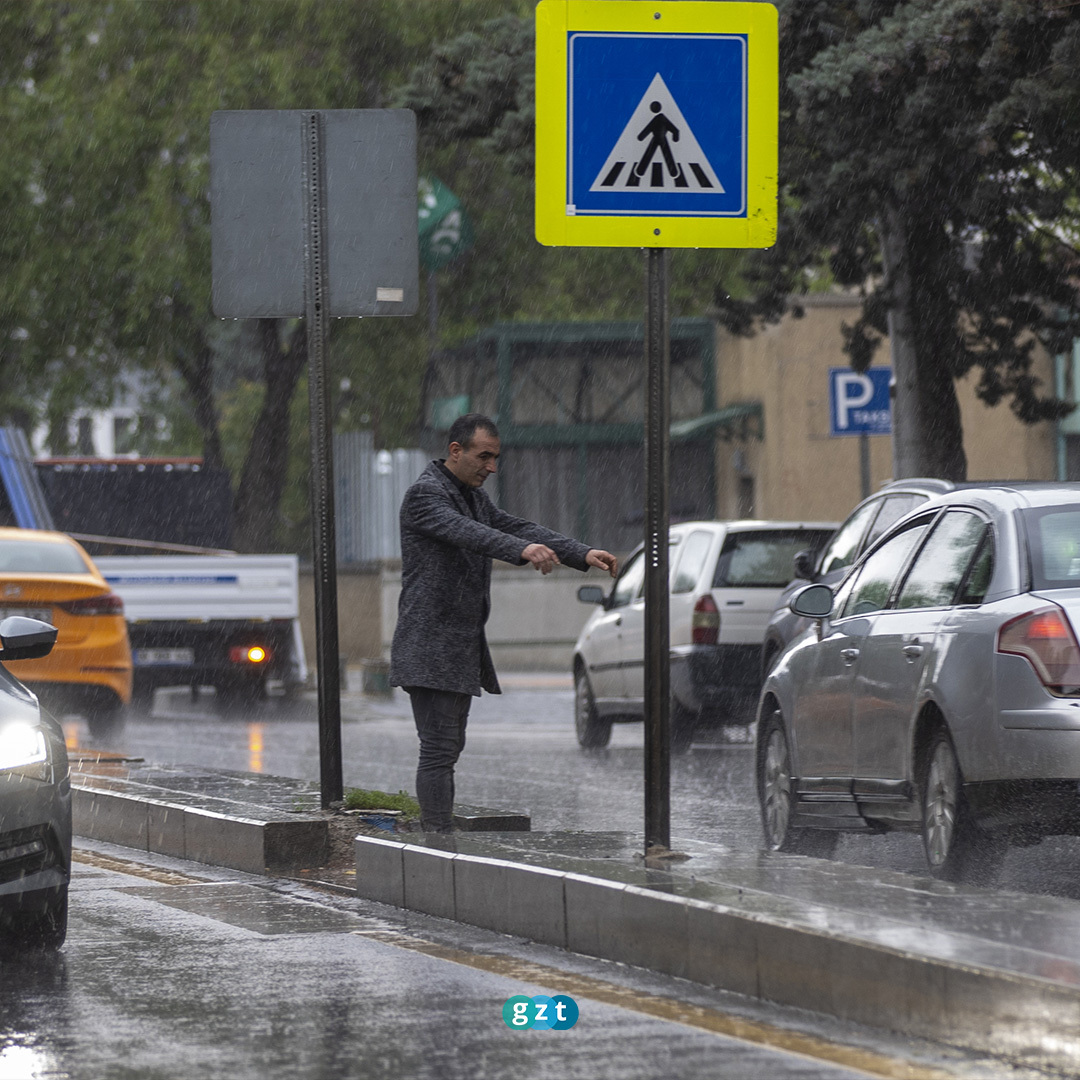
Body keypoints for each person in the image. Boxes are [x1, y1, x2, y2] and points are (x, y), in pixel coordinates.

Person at [390, 413, 618, 832]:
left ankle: (438, 829)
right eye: (484, 456)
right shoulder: (425, 496)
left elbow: (514, 525)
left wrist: (579, 553)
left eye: (496, 458)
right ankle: (437, 836)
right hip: (430, 644)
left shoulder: (472, 497)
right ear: (455, 451)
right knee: (439, 748)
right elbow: (471, 534)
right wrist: (523, 550)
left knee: (448, 747)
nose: (492, 467)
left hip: (457, 645)